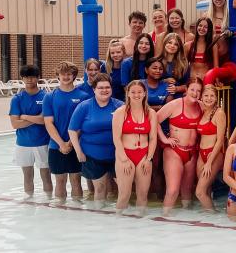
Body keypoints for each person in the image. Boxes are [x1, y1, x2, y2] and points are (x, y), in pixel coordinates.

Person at [68, 73, 123, 208]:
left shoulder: (120, 106)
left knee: (123, 188)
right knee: (100, 189)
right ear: (94, 90)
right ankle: (99, 217)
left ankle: (122, 219)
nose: (104, 90)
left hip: (117, 154)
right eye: (100, 88)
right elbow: (72, 130)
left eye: (107, 87)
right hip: (93, 155)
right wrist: (78, 152)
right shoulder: (84, 106)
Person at [156, 78, 204, 216]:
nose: (195, 93)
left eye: (198, 91)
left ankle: (184, 227)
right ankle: (164, 219)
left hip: (192, 152)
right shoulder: (175, 104)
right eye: (192, 90)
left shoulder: (201, 106)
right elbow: (155, 120)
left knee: (187, 191)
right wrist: (164, 138)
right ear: (186, 90)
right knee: (172, 190)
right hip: (174, 151)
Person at [43, 61, 90, 202]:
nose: (66, 76)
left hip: (76, 145)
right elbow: (48, 123)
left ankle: (77, 211)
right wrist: (61, 144)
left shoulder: (83, 96)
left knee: (76, 180)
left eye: (69, 74)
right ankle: (60, 211)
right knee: (60, 180)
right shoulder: (50, 97)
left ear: (74, 76)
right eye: (63, 73)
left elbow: (83, 123)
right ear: (58, 75)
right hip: (55, 145)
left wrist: (70, 143)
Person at [111, 80, 157, 216]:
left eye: (139, 92)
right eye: (133, 92)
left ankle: (140, 229)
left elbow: (153, 138)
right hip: (125, 155)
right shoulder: (121, 112)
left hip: (143, 156)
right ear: (128, 94)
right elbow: (116, 138)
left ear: (145, 93)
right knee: (124, 195)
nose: (136, 95)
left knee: (143, 196)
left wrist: (149, 159)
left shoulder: (151, 113)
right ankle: (119, 226)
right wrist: (124, 160)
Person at [9, 65, 52, 197]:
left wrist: (25, 117)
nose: (29, 80)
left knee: (46, 175)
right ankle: (29, 201)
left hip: (42, 142)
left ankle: (49, 200)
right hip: (23, 143)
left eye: (32, 77)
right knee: (27, 176)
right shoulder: (17, 98)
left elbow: (45, 120)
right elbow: (15, 124)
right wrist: (37, 118)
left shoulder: (46, 96)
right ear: (22, 78)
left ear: (38, 78)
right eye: (26, 77)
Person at [196, 84, 227, 211]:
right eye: (206, 96)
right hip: (201, 153)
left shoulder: (219, 113)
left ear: (216, 98)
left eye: (212, 96)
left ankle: (214, 218)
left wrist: (209, 162)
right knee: (206, 191)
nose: (209, 98)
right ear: (202, 97)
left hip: (214, 153)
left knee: (199, 192)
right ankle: (207, 219)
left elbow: (220, 140)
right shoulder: (203, 111)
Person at [157, 32, 189, 97]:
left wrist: (177, 89)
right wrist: (164, 81)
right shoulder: (156, 61)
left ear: (179, 47)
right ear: (164, 43)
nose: (172, 46)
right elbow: (150, 82)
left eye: (176, 44)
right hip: (159, 96)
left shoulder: (184, 64)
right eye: (169, 42)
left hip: (177, 97)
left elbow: (187, 85)